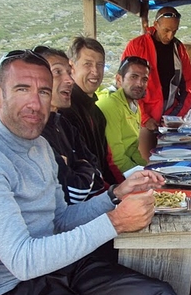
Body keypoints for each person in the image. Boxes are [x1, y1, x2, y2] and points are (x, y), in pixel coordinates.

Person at [0, 49, 191, 295]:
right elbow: (22, 260)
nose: (35, 104)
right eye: (22, 90)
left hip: (60, 270)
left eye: (43, 91)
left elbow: (61, 220)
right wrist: (115, 222)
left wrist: (115, 195)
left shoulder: (39, 144)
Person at [122, 6, 191, 160]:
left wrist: (176, 116)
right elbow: (126, 86)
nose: (170, 36)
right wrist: (145, 118)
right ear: (156, 25)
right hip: (142, 119)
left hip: (169, 119)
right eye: (166, 30)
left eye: (174, 31)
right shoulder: (137, 45)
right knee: (146, 164)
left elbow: (187, 85)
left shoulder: (178, 48)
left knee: (170, 163)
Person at [38, 46, 105, 204]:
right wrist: (84, 166)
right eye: (57, 72)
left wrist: (76, 167)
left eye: (69, 72)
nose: (69, 80)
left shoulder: (63, 124)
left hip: (85, 211)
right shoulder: (36, 133)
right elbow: (73, 192)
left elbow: (99, 178)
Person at [60, 36, 124, 184]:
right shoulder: (66, 112)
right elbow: (81, 169)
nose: (95, 71)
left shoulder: (97, 113)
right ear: (72, 67)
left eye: (100, 65)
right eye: (88, 64)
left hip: (104, 192)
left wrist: (122, 191)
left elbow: (107, 162)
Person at [97, 56, 149, 176]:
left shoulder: (133, 103)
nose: (139, 84)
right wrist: (143, 177)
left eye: (144, 79)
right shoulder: (110, 104)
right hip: (112, 178)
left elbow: (132, 150)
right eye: (134, 77)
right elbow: (116, 159)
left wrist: (148, 169)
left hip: (126, 170)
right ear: (119, 79)